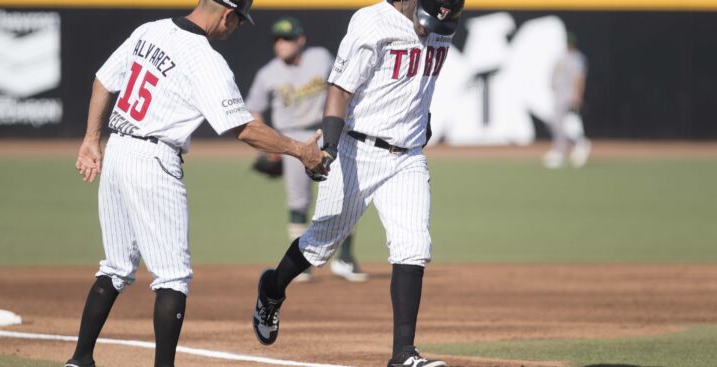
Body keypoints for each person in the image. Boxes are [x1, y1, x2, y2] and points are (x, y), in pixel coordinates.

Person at [65, 1, 328, 366]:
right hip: (155, 160)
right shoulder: (205, 59)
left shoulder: (150, 29)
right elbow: (245, 128)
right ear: (226, 14)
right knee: (173, 278)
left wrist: (91, 139)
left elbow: (103, 80)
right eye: (238, 21)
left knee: (115, 267)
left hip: (119, 148)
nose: (236, 28)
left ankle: (80, 359)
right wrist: (301, 151)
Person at [251, 0, 464, 366]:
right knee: (320, 245)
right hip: (356, 149)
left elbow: (418, 84)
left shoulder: (441, 24)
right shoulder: (371, 22)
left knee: (413, 245)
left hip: (408, 156)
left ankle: (403, 355)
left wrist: (420, 118)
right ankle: (272, 288)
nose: (432, 26)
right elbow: (339, 89)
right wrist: (329, 149)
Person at [246, 16, 367, 283]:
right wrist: (270, 146)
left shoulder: (320, 58)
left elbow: (343, 87)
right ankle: (302, 262)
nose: (281, 44)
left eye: (287, 38)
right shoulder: (268, 74)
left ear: (300, 40)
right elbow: (254, 110)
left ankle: (345, 259)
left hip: (327, 133)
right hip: (292, 139)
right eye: (276, 39)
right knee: (298, 201)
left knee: (345, 194)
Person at [543, 31, 591, 169]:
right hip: (559, 95)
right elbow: (555, 73)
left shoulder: (577, 58)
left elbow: (579, 78)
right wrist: (552, 84)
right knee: (555, 123)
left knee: (569, 124)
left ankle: (576, 145)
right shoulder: (561, 56)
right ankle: (563, 149)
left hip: (569, 96)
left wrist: (577, 95)